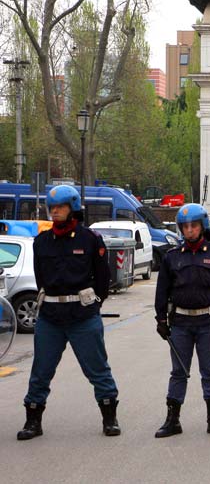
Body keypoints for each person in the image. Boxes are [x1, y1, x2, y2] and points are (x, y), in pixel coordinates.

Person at [17, 185, 118, 441]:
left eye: (60, 207)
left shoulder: (90, 240)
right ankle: (33, 421)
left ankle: (109, 418)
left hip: (83, 316)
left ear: (72, 209)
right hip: (50, 317)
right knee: (41, 371)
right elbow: (41, 278)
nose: (55, 212)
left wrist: (94, 304)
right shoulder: (41, 241)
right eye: (52, 208)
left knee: (97, 369)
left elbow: (103, 278)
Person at [153, 203, 210, 438]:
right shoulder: (171, 258)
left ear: (203, 227)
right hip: (180, 322)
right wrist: (161, 319)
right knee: (178, 372)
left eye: (194, 225)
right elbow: (162, 291)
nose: (189, 230)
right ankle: (173, 420)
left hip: (208, 323)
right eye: (185, 226)